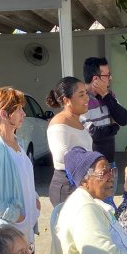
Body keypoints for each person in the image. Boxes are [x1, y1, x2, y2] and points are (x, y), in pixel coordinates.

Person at [0, 87, 41, 244]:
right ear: (4, 114)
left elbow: (25, 179)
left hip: (26, 233)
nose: (24, 114)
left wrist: (35, 200)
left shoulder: (19, 142)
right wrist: (16, 216)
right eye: (19, 110)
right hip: (10, 238)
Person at [45, 77, 92, 205]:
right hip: (67, 185)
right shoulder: (59, 122)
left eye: (86, 93)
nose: (87, 98)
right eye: (81, 95)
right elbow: (62, 156)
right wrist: (94, 161)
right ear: (66, 100)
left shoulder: (79, 120)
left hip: (82, 182)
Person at [81, 57, 127, 162]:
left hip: (110, 161)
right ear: (95, 79)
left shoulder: (108, 95)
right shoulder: (81, 98)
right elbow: (95, 133)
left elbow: (124, 119)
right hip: (91, 165)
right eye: (107, 75)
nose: (110, 78)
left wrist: (105, 95)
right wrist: (115, 127)